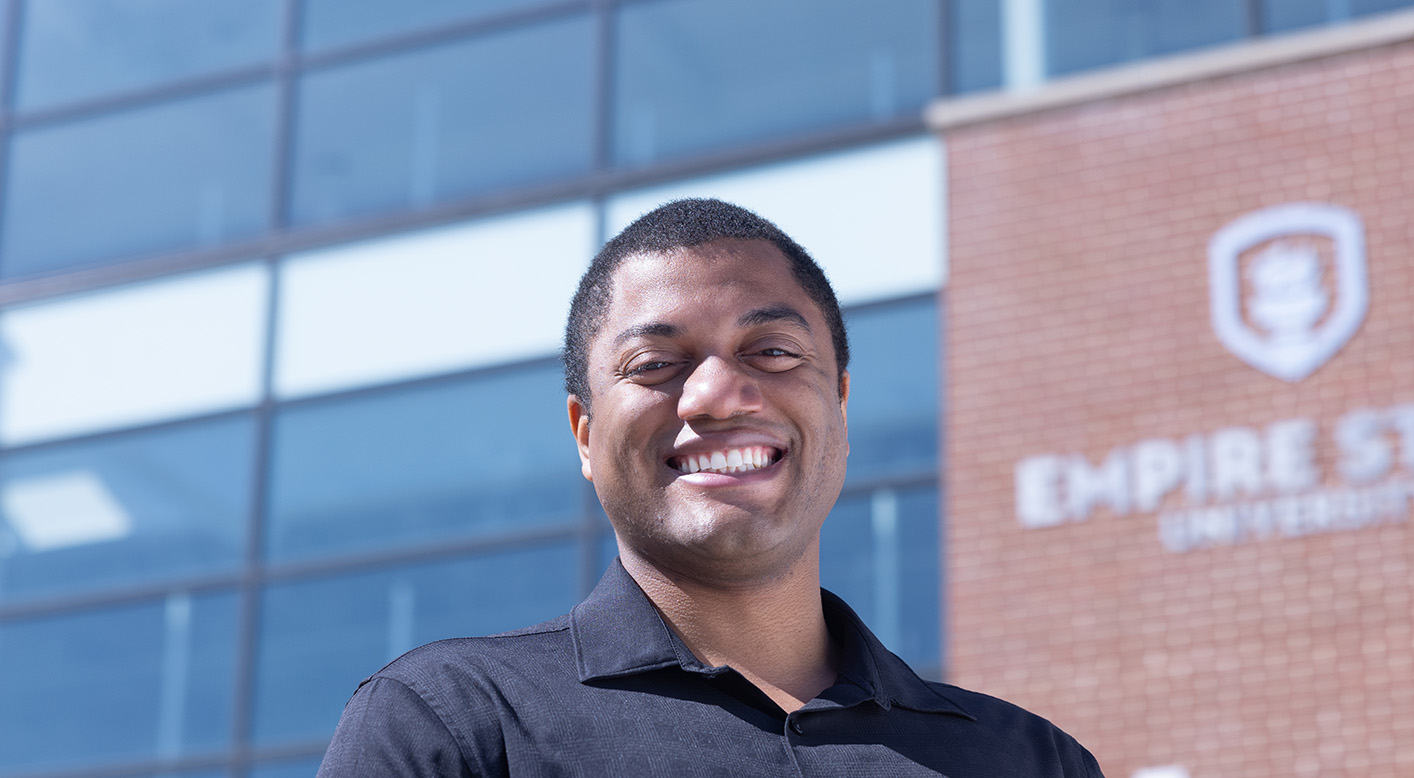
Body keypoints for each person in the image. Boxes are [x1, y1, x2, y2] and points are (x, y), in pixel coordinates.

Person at [316, 199, 1104, 777]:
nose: (717, 395)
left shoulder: (1031, 761)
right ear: (585, 435)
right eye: (655, 366)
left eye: (772, 351)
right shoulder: (454, 724)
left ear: (840, 408)